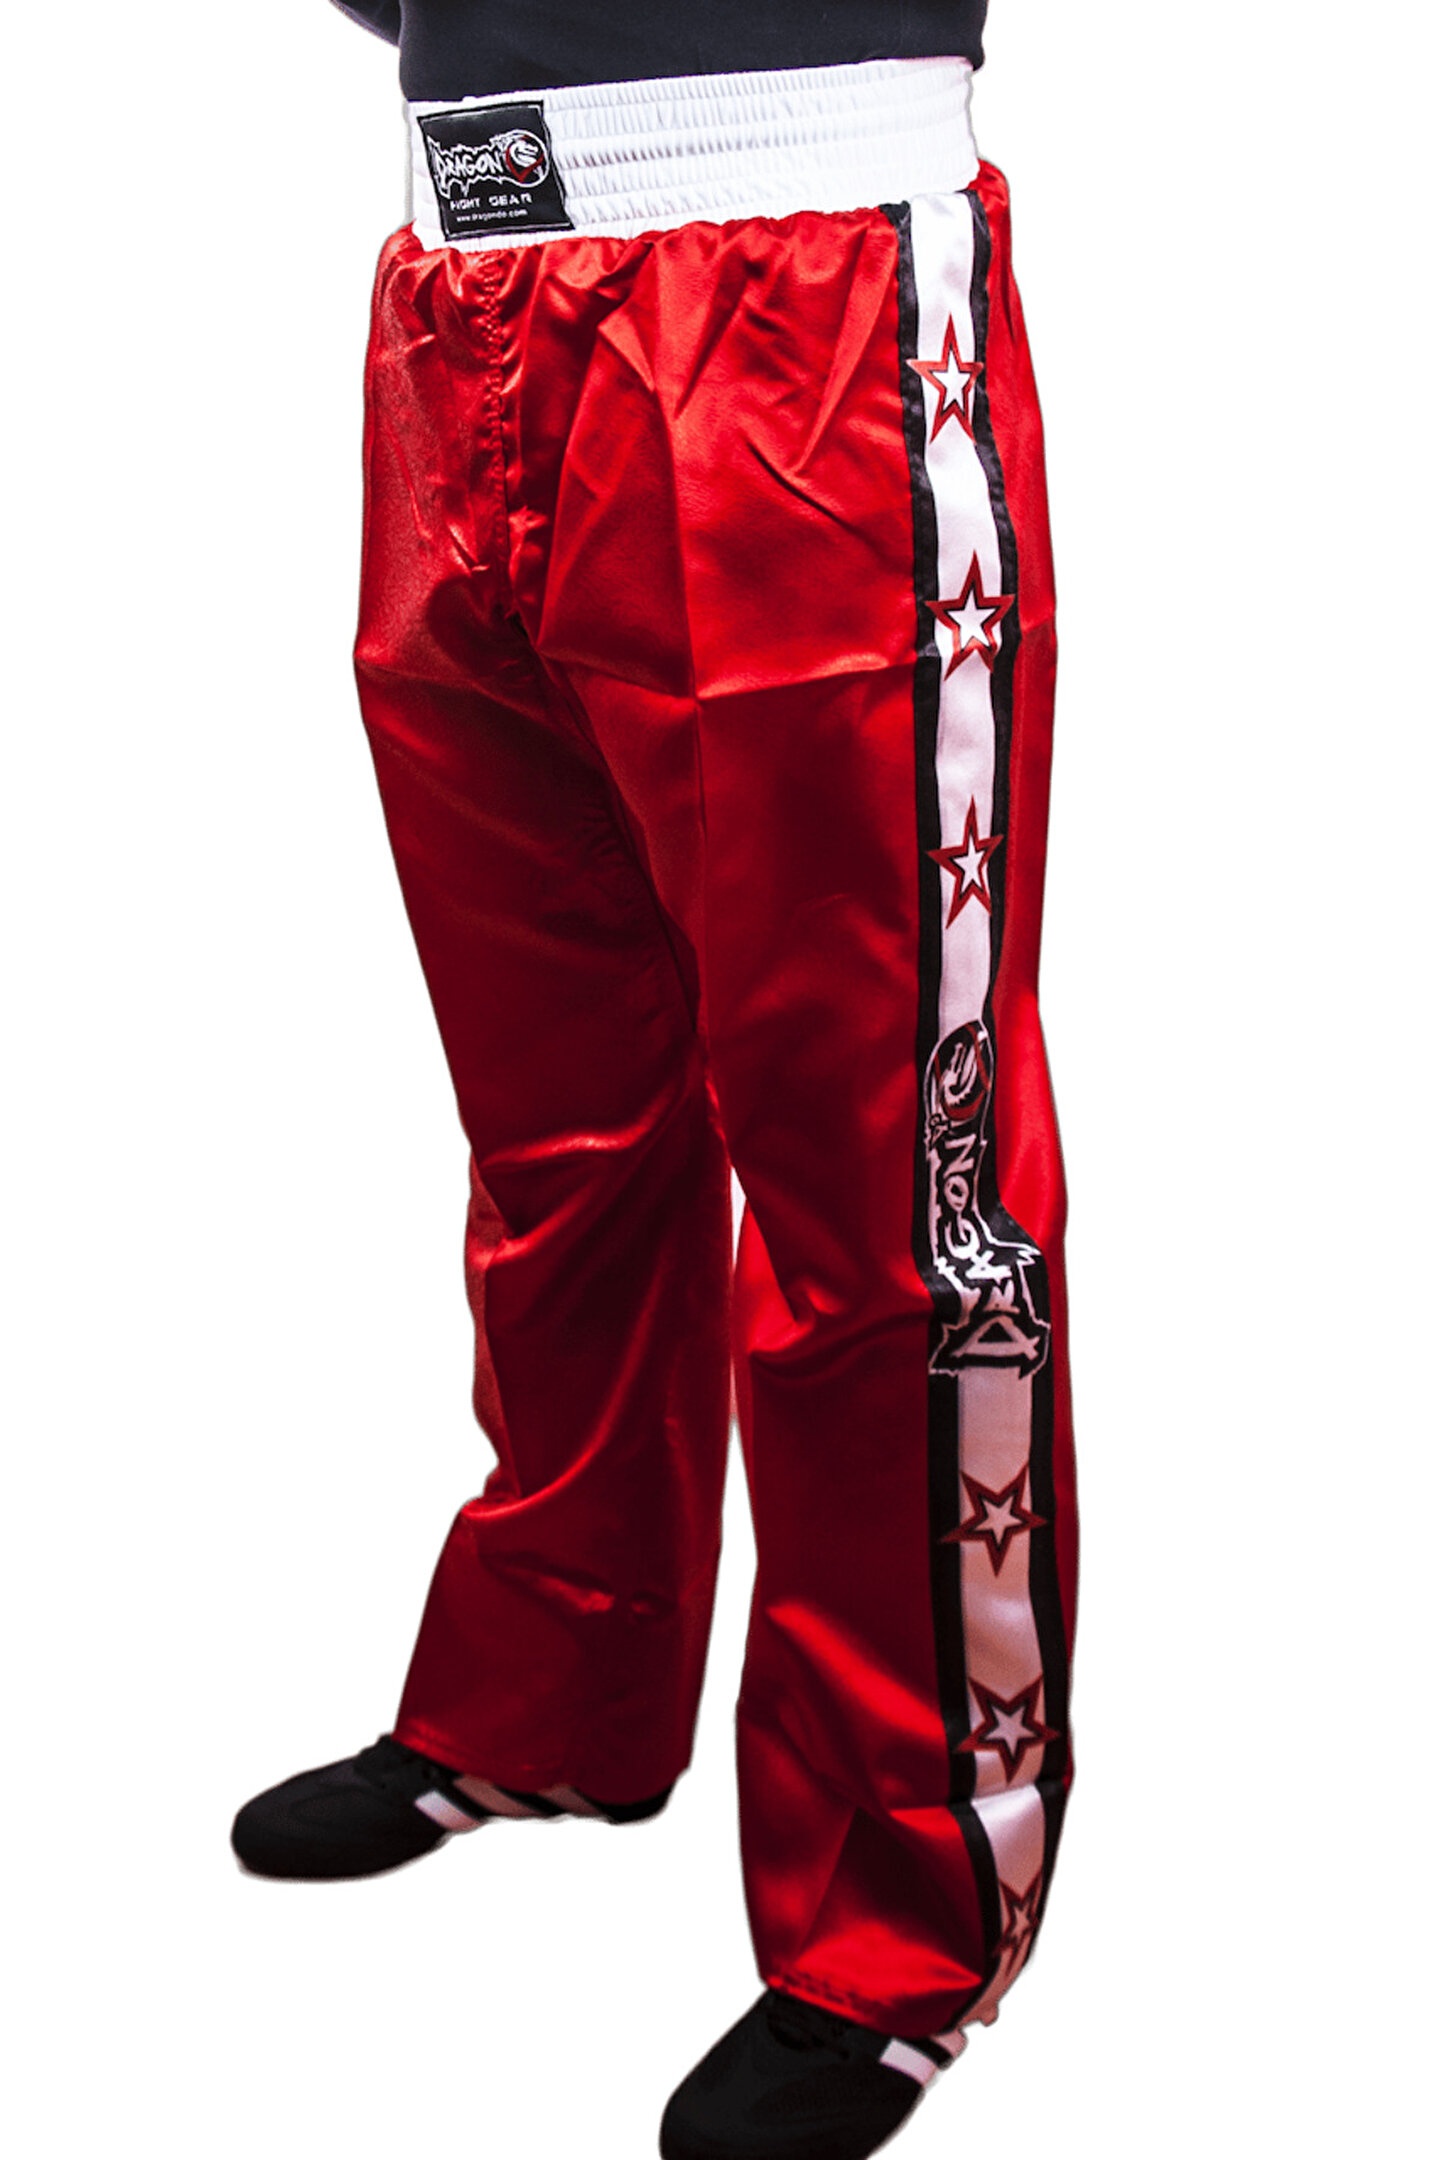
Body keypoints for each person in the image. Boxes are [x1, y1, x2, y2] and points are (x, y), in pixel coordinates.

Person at [232, 7, 1079, 2155]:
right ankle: (555, 1691)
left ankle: (907, 1919)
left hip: (802, 277)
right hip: (463, 279)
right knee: (558, 1121)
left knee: (882, 1169)